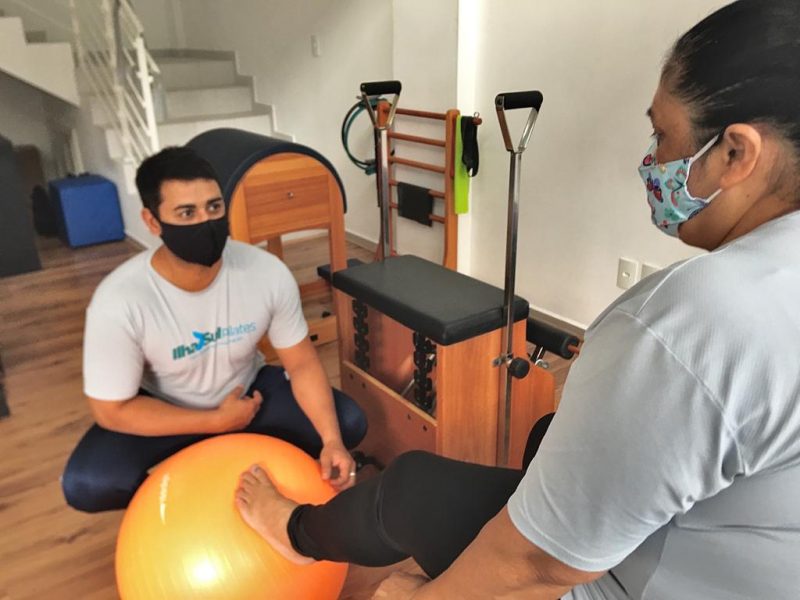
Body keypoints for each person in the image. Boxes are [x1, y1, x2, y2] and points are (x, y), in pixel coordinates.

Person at [233, 1, 800, 598]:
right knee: (542, 439)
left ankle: (295, 533)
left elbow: (536, 567)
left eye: (661, 135)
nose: (651, 160)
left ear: (736, 153)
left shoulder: (696, 323)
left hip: (636, 580)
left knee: (412, 490)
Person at [61, 147, 367, 513]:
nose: (205, 221)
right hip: (168, 409)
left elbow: (301, 362)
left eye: (213, 207)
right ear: (152, 221)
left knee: (347, 423)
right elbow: (112, 411)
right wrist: (214, 422)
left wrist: (331, 441)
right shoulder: (118, 301)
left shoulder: (266, 272)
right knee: (88, 484)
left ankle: (251, 455)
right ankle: (190, 492)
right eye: (186, 212)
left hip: (247, 395)